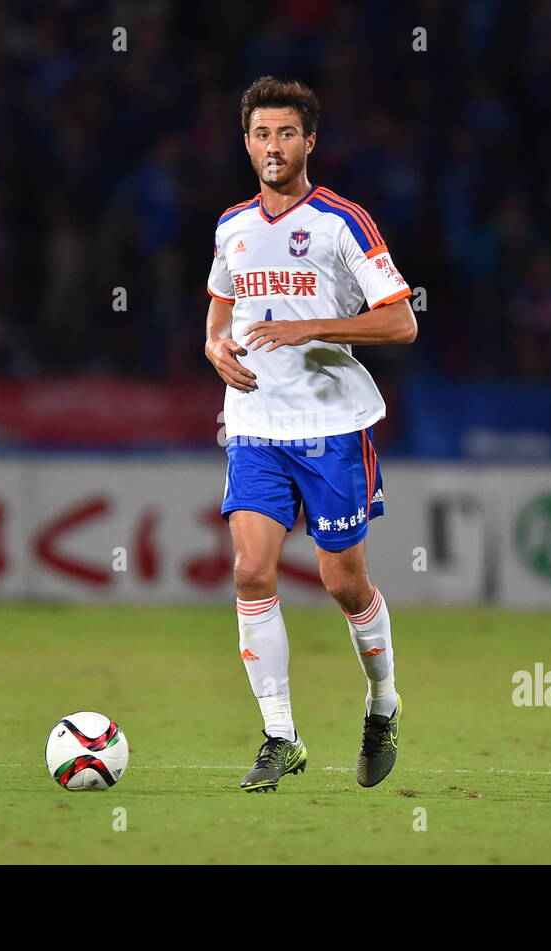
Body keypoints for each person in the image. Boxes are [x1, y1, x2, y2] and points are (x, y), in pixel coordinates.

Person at [203, 76, 418, 792]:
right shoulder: (231, 225)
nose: (273, 146)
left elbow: (400, 319)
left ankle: (382, 704)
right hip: (257, 425)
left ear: (309, 143)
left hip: (330, 426)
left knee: (341, 580)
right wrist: (215, 349)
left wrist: (308, 325)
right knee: (250, 571)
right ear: (247, 143)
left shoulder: (340, 222)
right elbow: (218, 312)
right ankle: (279, 735)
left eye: (286, 133)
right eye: (262, 133)